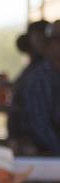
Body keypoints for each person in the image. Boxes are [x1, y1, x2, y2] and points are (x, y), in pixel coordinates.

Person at [8, 22, 60, 156]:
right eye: (57, 41)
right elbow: (40, 126)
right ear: (49, 46)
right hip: (39, 146)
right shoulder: (37, 79)